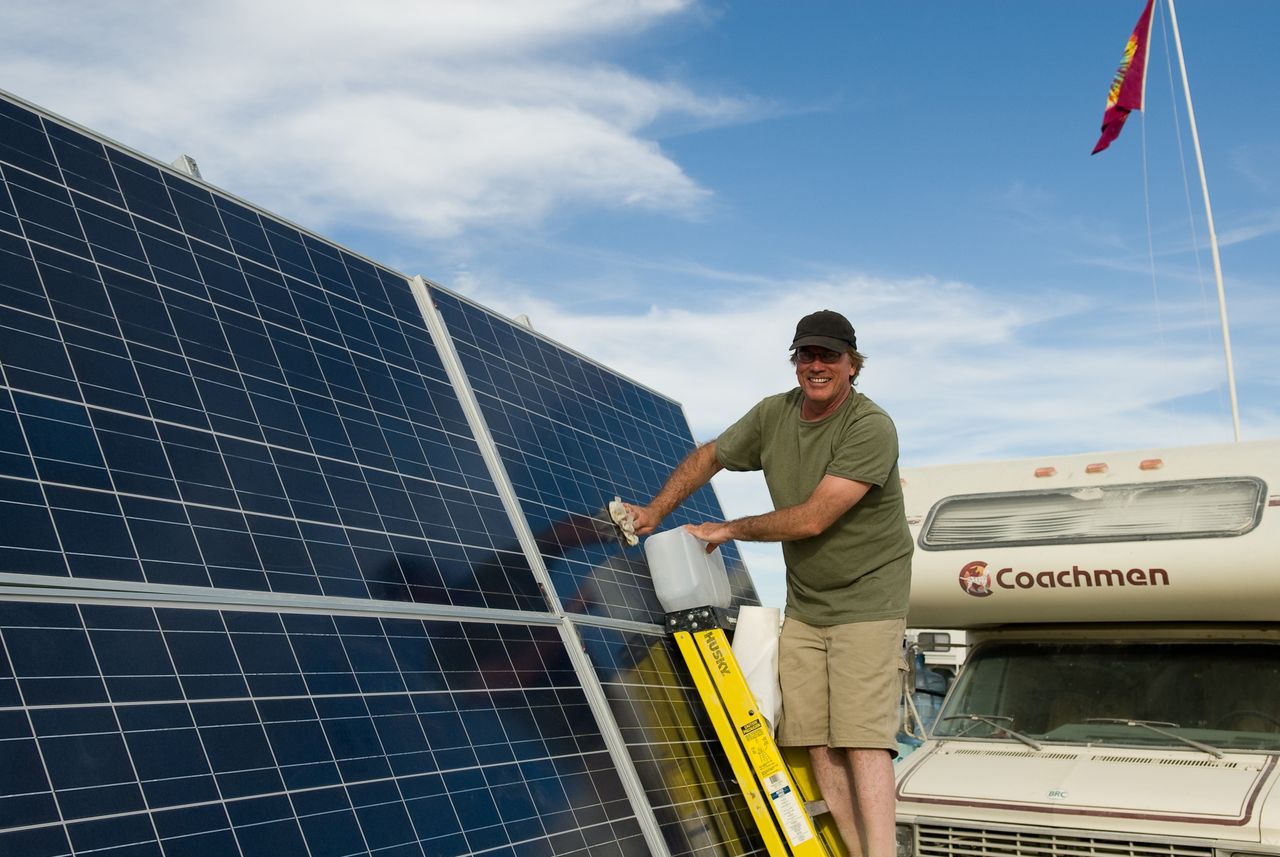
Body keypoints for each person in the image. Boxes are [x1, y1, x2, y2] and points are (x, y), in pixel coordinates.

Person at [626, 309, 912, 857]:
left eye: (830, 355)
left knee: (862, 740)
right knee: (813, 740)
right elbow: (712, 454)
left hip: (869, 599)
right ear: (796, 360)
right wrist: (656, 511)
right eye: (807, 354)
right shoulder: (774, 413)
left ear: (853, 365)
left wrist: (727, 529)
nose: (817, 364)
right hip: (806, 602)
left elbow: (812, 519)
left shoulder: (869, 426)